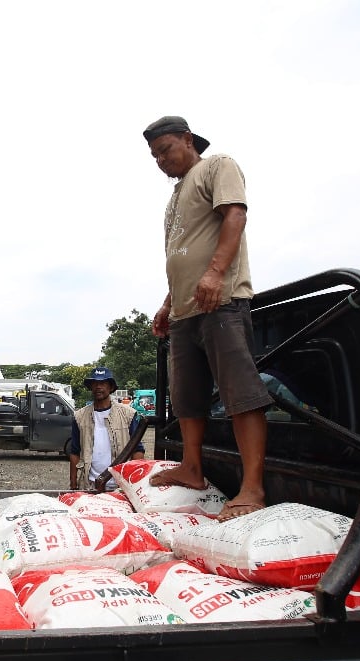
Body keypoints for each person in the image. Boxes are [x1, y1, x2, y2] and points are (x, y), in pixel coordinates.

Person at [143, 115, 272, 522]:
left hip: (222, 302)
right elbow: (182, 254)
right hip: (184, 311)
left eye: (165, 150)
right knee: (186, 398)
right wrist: (168, 304)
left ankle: (252, 487)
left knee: (240, 393)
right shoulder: (174, 198)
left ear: (187, 139)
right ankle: (192, 468)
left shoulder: (217, 166)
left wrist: (216, 273)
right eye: (154, 156)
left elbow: (234, 215)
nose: (160, 161)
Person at [69, 367, 145, 492]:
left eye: (103, 383)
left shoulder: (128, 415)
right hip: (90, 485)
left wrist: (135, 483)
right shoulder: (79, 417)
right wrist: (73, 485)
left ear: (111, 387)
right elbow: (75, 452)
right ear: (91, 387)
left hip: (120, 486)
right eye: (95, 383)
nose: (98, 387)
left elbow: (138, 450)